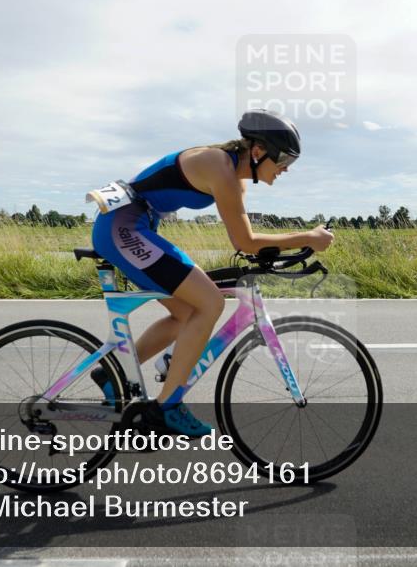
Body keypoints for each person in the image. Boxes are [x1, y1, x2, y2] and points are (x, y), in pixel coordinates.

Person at [90, 109, 334, 436]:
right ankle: (166, 408)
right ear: (259, 151)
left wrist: (283, 247)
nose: (286, 170)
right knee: (210, 303)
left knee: (188, 311)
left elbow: (246, 239)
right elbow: (245, 241)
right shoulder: (219, 167)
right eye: (285, 161)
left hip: (135, 226)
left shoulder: (232, 177)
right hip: (123, 228)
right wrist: (307, 237)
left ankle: (112, 375)